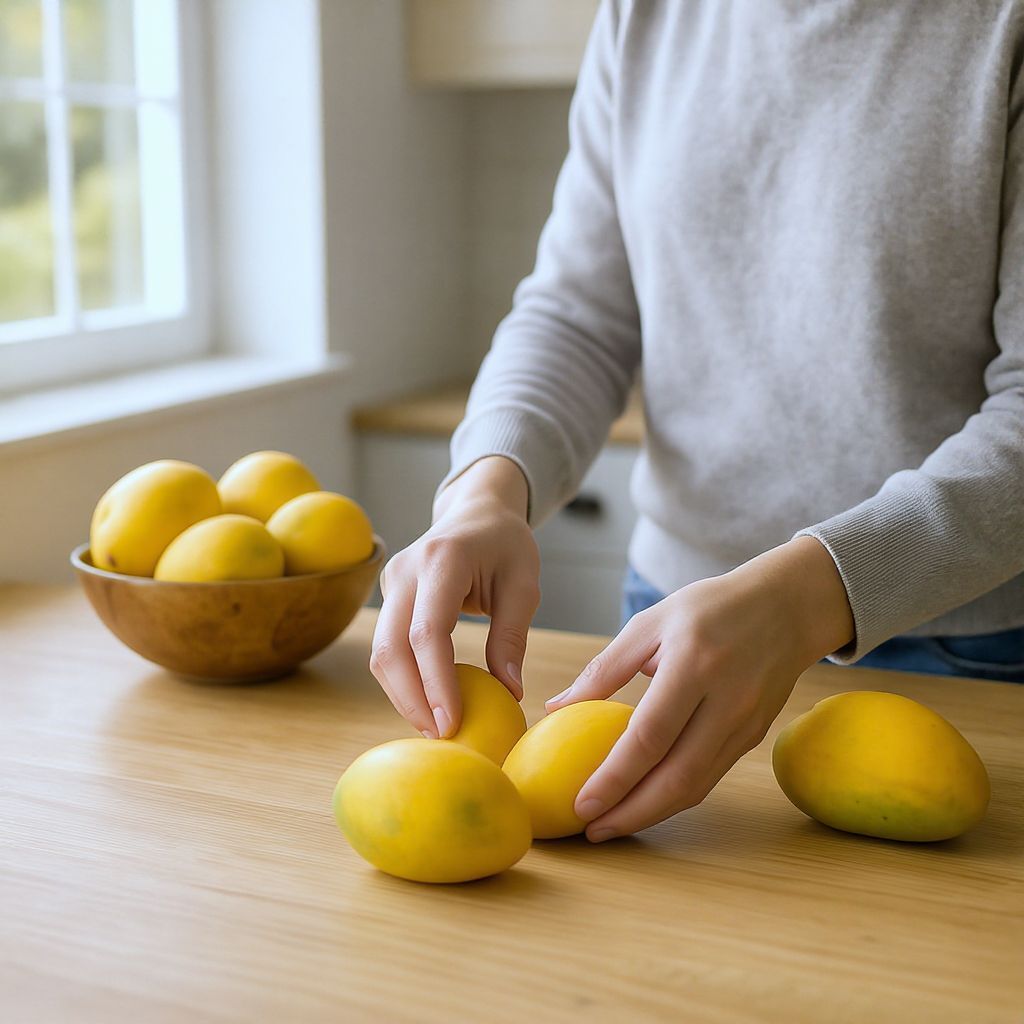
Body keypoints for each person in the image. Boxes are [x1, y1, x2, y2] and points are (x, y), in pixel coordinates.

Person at [370, 0, 1024, 843]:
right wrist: (486, 490)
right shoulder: (645, 16)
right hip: (665, 615)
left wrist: (803, 601)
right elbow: (577, 316)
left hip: (952, 639)